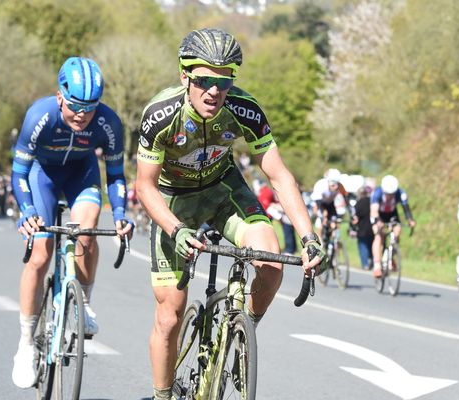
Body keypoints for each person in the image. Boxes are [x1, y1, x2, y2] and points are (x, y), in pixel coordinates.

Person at [134, 28, 326, 400]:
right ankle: (162, 395)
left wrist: (309, 237)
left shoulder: (244, 109)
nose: (213, 91)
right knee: (170, 314)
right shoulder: (161, 115)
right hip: (174, 202)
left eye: (223, 82)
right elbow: (144, 186)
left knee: (271, 266)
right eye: (204, 80)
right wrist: (176, 230)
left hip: (223, 190)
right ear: (184, 76)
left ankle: (241, 334)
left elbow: (279, 174)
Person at [10, 56, 133, 389]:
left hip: (82, 176)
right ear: (60, 95)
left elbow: (117, 174)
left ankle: (83, 305)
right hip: (43, 177)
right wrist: (26, 210)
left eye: (90, 107)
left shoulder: (109, 122)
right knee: (40, 254)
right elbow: (20, 170)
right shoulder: (40, 115)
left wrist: (121, 212)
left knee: (88, 233)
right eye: (76, 105)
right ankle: (25, 342)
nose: (82, 113)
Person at [370, 174, 416, 277]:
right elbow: (374, 211)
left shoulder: (400, 193)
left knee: (397, 232)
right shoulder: (377, 193)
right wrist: (378, 221)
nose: (390, 196)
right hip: (379, 214)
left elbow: (406, 208)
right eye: (388, 194)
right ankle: (377, 265)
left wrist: (410, 220)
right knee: (379, 236)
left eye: (392, 194)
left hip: (392, 213)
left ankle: (390, 256)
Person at [311, 168, 349, 246]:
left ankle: (334, 240)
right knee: (323, 219)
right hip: (319, 203)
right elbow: (318, 203)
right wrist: (323, 214)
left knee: (334, 222)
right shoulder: (321, 185)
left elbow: (346, 198)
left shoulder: (339, 185)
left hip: (330, 204)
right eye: (333, 185)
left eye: (337, 184)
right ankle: (320, 242)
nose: (335, 187)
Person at [351, 186, 374, 270]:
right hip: (372, 229)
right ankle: (372, 261)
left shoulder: (358, 203)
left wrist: (352, 227)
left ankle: (365, 264)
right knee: (371, 246)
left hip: (362, 229)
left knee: (363, 247)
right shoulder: (372, 202)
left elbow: (354, 218)